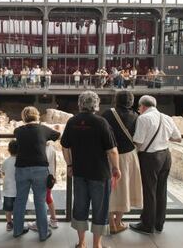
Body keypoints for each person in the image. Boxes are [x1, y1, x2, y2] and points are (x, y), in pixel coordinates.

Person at [61, 91, 121, 248]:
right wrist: (116, 168)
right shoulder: (101, 122)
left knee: (80, 207)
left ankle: (81, 244)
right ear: (96, 104)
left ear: (80, 104)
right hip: (100, 174)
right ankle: (97, 245)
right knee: (100, 209)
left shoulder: (72, 121)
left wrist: (69, 165)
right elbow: (112, 150)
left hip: (79, 172)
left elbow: (65, 146)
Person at [130, 95, 182, 235]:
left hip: (150, 158)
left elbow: (139, 142)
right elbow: (178, 138)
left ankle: (147, 224)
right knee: (161, 190)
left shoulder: (143, 118)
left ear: (143, 106)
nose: (139, 110)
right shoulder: (166, 117)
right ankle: (159, 224)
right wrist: (163, 137)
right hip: (165, 155)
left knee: (149, 191)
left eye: (139, 107)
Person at [13, 106, 60, 242]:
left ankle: (17, 230)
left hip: (21, 169)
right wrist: (46, 140)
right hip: (40, 169)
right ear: (37, 116)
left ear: (23, 117)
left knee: (20, 201)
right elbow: (57, 135)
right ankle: (43, 233)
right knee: (40, 202)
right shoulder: (43, 129)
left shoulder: (18, 131)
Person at [102, 91, 143, 234]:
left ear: (116, 100)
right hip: (128, 156)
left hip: (109, 155)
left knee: (109, 190)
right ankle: (118, 223)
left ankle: (110, 222)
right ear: (131, 102)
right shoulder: (136, 117)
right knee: (125, 189)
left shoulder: (107, 114)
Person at [27, 140, 59, 231]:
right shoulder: (51, 148)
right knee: (48, 197)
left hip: (42, 177)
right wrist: (54, 176)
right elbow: (54, 163)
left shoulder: (40, 148)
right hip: (50, 176)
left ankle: (39, 223)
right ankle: (53, 220)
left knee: (40, 200)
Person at [3, 140, 18, 232]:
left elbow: (3, 172)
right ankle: (17, 222)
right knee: (17, 207)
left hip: (8, 189)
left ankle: (9, 223)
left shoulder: (6, 162)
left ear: (9, 150)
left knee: (8, 208)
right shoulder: (20, 162)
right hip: (18, 190)